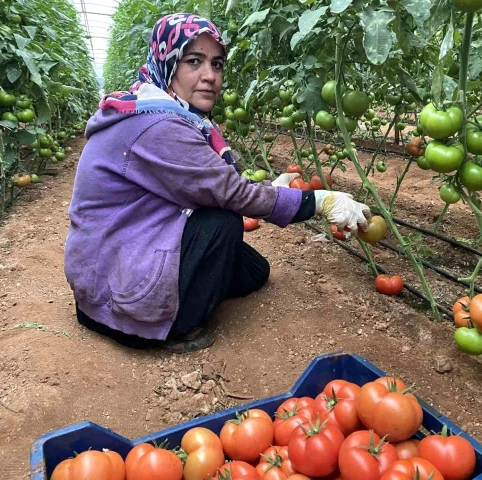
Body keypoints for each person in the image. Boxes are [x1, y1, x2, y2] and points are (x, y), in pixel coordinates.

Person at [63, 13, 370, 352]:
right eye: (193, 61)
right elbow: (230, 193)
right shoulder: (158, 126)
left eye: (217, 64)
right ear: (168, 63)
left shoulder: (161, 110)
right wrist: (319, 202)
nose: (209, 76)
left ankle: (170, 298)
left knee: (255, 271)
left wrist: (275, 192)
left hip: (129, 246)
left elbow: (209, 181)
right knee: (222, 222)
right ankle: (158, 328)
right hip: (114, 285)